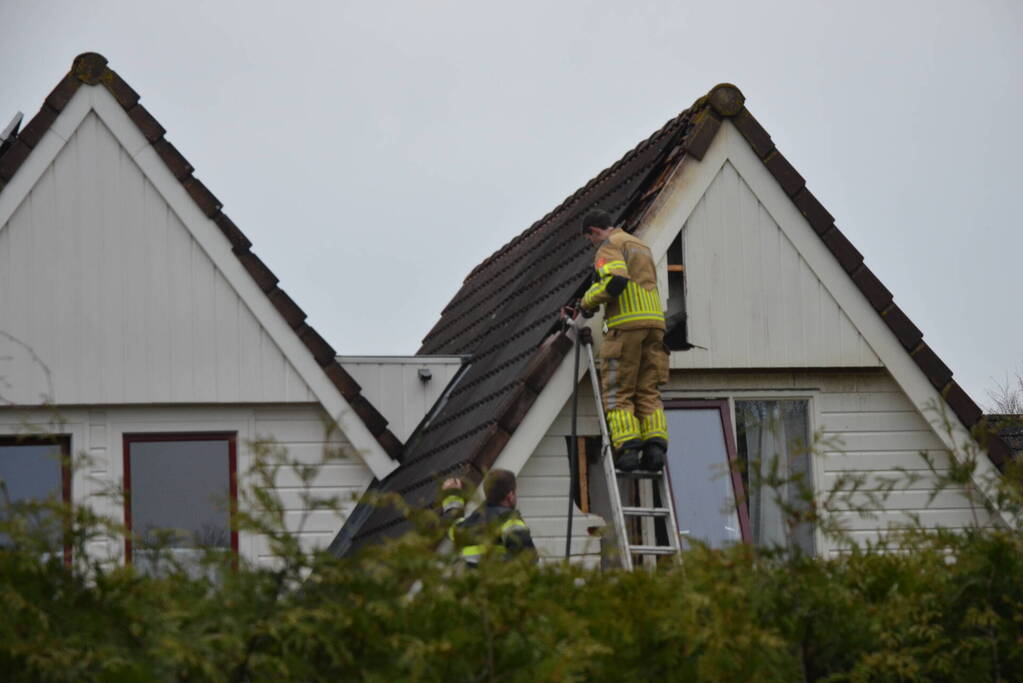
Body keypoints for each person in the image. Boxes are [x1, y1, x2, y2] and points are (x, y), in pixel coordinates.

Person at [577, 208, 669, 472]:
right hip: (655, 326)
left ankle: (628, 449)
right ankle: (655, 450)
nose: (591, 244)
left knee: (618, 392)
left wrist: (586, 301)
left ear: (594, 232)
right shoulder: (640, 245)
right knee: (648, 391)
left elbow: (616, 281)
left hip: (626, 326)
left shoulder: (609, 245)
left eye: (589, 239)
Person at [440, 469, 537, 567]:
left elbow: (452, 524)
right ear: (510, 496)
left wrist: (452, 494)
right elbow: (528, 558)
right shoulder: (509, 521)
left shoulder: (468, 525)